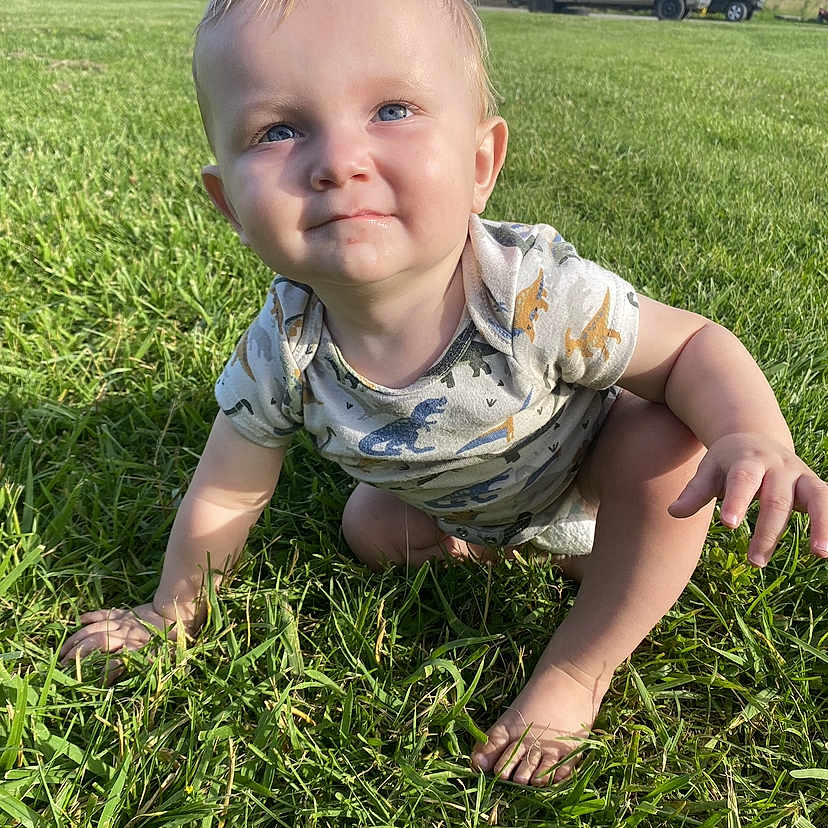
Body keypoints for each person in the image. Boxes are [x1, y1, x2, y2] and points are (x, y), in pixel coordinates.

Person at [59, 0, 828, 788]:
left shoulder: (531, 291)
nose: (338, 161)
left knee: (662, 446)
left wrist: (751, 433)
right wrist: (172, 608)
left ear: (480, 164)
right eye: (278, 131)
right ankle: (514, 554)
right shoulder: (287, 343)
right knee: (368, 522)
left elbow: (692, 347)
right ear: (230, 206)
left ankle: (579, 667)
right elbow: (226, 487)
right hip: (462, 510)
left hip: (588, 485)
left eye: (392, 110)